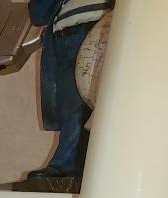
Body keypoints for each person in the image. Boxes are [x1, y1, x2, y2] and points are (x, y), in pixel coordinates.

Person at [27, 0, 113, 179]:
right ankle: (69, 164)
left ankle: (69, 164)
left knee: (92, 106)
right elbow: (38, 14)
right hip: (62, 35)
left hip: (98, 27)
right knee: (70, 106)